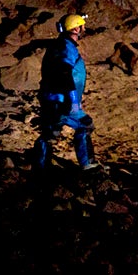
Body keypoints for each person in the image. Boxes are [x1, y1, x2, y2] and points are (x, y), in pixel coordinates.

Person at [33, 13, 98, 171]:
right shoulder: (66, 47)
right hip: (65, 99)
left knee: (50, 130)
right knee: (84, 125)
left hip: (52, 98)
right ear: (76, 28)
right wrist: (72, 100)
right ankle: (87, 164)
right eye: (81, 26)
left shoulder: (59, 45)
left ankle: (40, 168)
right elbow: (64, 72)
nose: (83, 28)